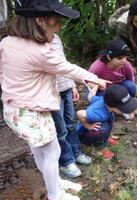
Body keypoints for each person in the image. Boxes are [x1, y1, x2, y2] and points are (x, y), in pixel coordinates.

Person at [0, 0, 110, 200]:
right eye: (56, 21)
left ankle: (55, 182)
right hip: (32, 112)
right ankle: (55, 195)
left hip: (14, 109)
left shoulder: (7, 42)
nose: (59, 26)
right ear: (40, 20)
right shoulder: (40, 52)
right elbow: (67, 68)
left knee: (40, 151)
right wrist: (96, 79)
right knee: (52, 151)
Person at [51, 35, 91, 179]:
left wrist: (72, 85)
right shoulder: (34, 41)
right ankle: (66, 161)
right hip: (52, 92)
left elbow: (64, 63)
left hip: (65, 87)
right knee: (60, 130)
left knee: (70, 124)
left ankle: (76, 152)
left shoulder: (55, 38)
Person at [108, 0, 137, 113]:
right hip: (124, 51)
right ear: (130, 18)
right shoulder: (122, 25)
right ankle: (129, 102)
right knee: (128, 73)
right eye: (136, 21)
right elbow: (121, 46)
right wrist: (131, 63)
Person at [75, 84, 137, 160]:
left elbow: (90, 97)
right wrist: (88, 126)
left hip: (99, 122)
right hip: (85, 135)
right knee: (103, 128)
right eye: (123, 108)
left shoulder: (103, 100)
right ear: (112, 106)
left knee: (109, 121)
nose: (125, 111)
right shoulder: (100, 114)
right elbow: (79, 113)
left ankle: (105, 138)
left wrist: (96, 84)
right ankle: (99, 148)